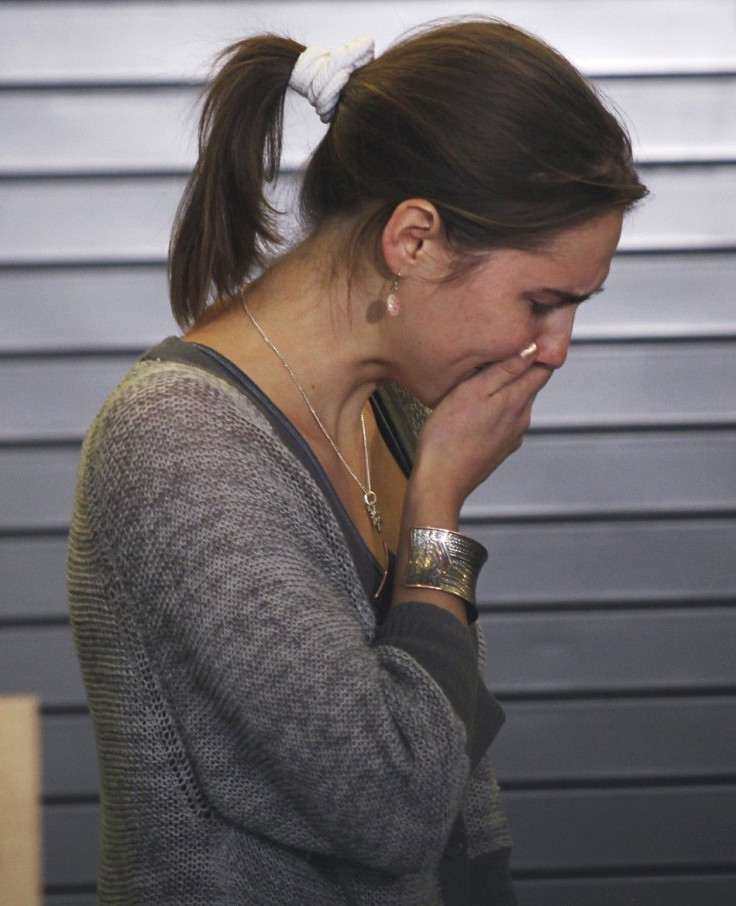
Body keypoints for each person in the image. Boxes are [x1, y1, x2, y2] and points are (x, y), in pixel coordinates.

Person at [68, 18, 647, 906]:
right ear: (412, 240)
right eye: (542, 301)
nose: (556, 348)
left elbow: (453, 768)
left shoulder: (397, 407)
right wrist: (438, 519)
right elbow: (391, 804)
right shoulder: (181, 443)